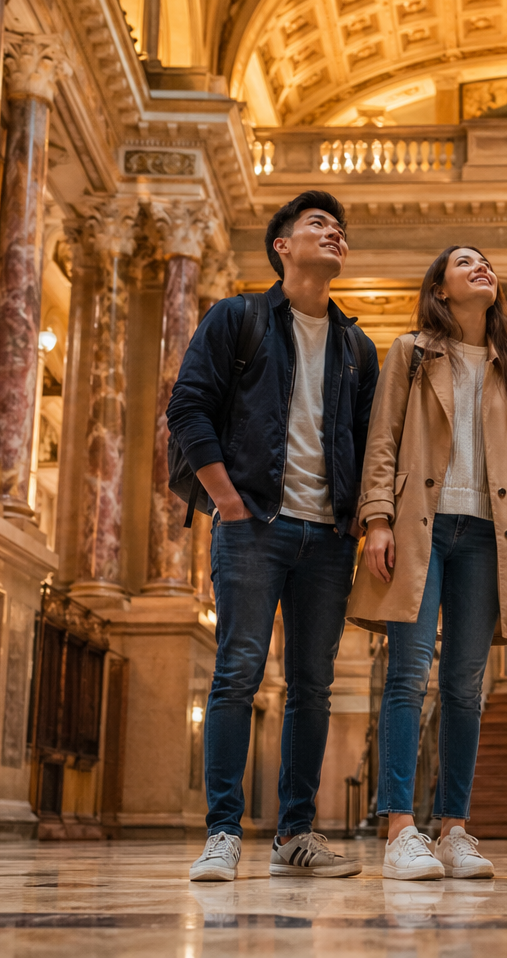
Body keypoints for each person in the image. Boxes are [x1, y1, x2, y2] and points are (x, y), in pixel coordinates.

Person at [167, 190, 377, 882]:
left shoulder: (356, 347)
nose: (334, 233)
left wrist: (357, 516)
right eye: (319, 224)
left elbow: (371, 441)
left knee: (312, 684)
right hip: (254, 525)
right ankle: (223, 831)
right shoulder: (238, 318)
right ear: (283, 246)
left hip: (327, 538)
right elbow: (188, 407)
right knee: (237, 674)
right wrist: (227, 502)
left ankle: (295, 833)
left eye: (340, 229)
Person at [346, 245, 507, 881]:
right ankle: (400, 828)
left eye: (488, 261)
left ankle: (454, 827)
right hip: (420, 529)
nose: (483, 267)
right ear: (440, 285)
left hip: (490, 535)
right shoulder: (409, 353)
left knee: (465, 685)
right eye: (465, 262)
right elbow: (381, 440)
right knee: (408, 674)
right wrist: (377, 519)